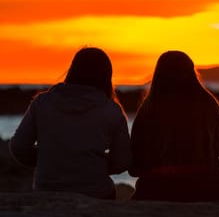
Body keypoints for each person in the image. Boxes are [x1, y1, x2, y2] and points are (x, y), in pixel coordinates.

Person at [9, 47, 131, 199]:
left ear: (72, 71)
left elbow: (18, 147)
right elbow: (123, 161)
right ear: (106, 77)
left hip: (47, 192)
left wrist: (51, 160)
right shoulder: (112, 111)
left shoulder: (42, 103)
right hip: (96, 193)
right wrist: (92, 167)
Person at [129, 51, 219, 201]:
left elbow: (135, 167)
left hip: (158, 191)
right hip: (209, 192)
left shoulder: (149, 109)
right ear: (191, 72)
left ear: (159, 74)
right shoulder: (209, 104)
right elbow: (217, 151)